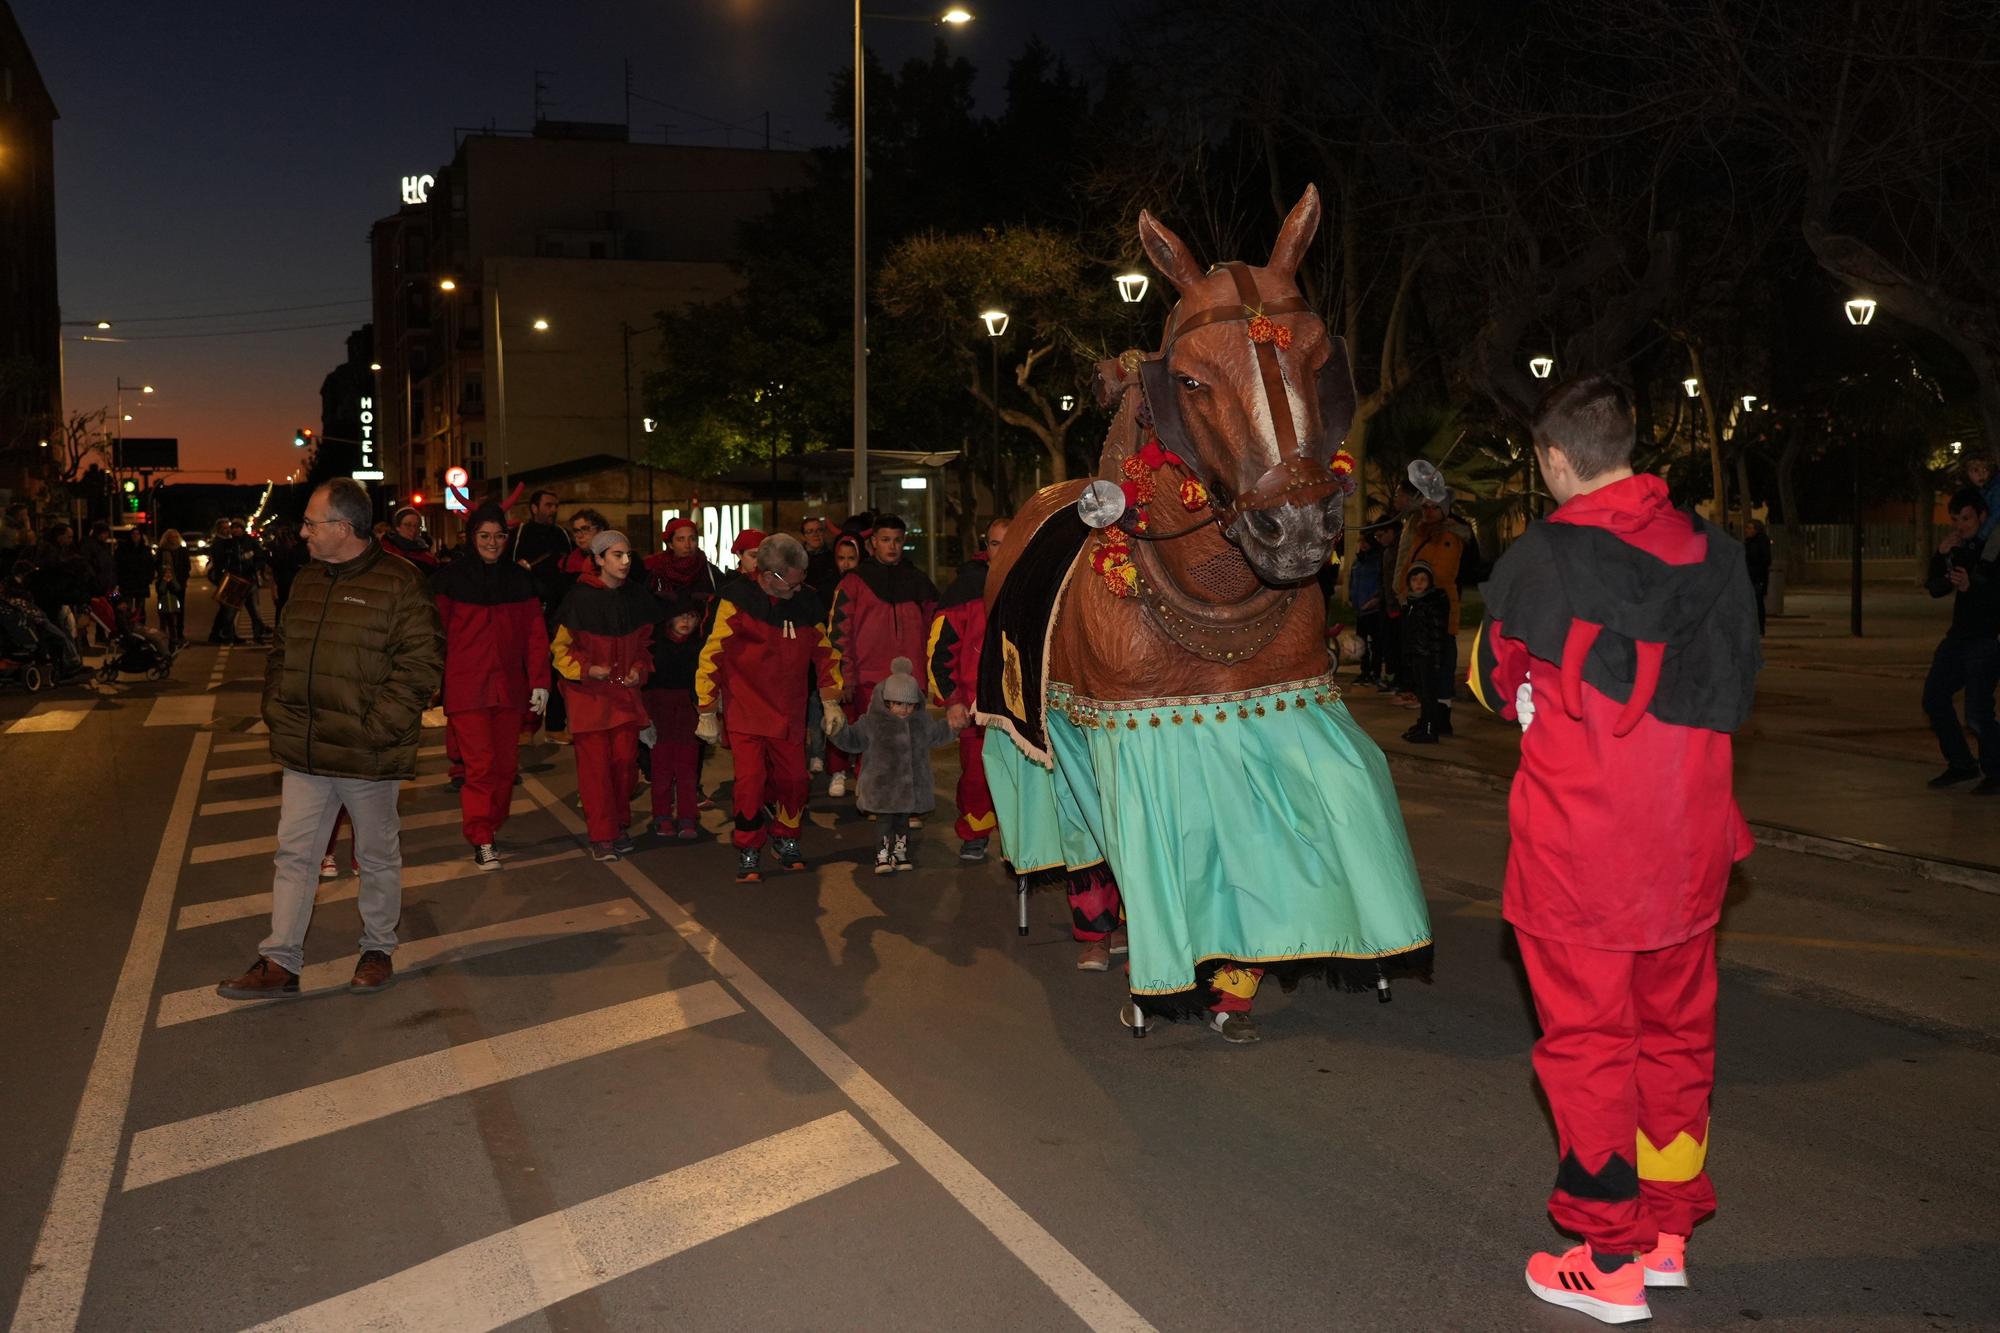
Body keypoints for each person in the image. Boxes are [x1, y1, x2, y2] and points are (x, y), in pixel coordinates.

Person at [1469, 377, 1761, 1325]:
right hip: (1690, 847)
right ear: (1631, 443)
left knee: (1590, 1046)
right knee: (1678, 1040)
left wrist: (1521, 691)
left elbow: (1487, 673)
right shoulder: (1716, 555)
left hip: (1582, 850)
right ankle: (1668, 1235)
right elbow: (1736, 686)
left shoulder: (1543, 557)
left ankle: (1606, 1255)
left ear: (1556, 459)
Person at [216, 479, 443, 1001]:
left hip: (366, 751)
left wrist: (375, 727)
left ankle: (377, 948)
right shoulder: (308, 580)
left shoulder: (400, 583)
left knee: (377, 855)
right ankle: (280, 960)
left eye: (312, 523)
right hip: (306, 747)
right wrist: (276, 706)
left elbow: (421, 664)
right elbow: (282, 652)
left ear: (344, 528)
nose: (303, 532)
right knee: (295, 854)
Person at [695, 533, 843, 881]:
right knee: (750, 782)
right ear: (769, 574)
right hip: (746, 710)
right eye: (792, 583)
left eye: (800, 581)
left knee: (794, 781)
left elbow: (826, 654)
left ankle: (785, 836)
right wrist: (705, 707)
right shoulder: (734, 600)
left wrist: (831, 699)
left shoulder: (806, 603)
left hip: (789, 712)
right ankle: (748, 844)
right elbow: (712, 653)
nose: (797, 588)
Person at [433, 505, 552, 870]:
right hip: (467, 688)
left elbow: (535, 635)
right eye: (484, 536)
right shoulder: (449, 580)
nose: (492, 543)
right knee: (481, 767)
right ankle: (482, 836)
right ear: (472, 538)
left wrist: (540, 681)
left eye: (499, 536)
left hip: (509, 689)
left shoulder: (520, 580)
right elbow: (436, 635)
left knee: (504, 767)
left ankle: (491, 826)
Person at [552, 530, 660, 861]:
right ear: (599, 559)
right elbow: (559, 650)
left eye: (628, 555)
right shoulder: (578, 598)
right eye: (617, 555)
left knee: (626, 765)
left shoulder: (637, 597)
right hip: (589, 701)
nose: (626, 561)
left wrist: (638, 670)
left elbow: (646, 645)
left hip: (624, 699)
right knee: (596, 771)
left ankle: (618, 823)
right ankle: (603, 835)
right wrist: (587, 669)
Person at [827, 514, 937, 800]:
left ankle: (905, 804)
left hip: (911, 681)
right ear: (873, 542)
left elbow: (935, 632)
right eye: (886, 540)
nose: (892, 546)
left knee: (910, 745)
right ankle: (877, 800)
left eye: (898, 540)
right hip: (869, 678)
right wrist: (846, 676)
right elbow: (839, 634)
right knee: (875, 744)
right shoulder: (853, 583)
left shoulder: (919, 582)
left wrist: (931, 678)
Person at [830, 657, 960, 874]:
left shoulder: (921, 723)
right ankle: (882, 855)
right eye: (899, 704)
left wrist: (953, 726)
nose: (905, 710)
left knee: (903, 823)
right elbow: (852, 740)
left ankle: (900, 853)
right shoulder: (872, 722)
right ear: (887, 702)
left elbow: (937, 735)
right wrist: (837, 731)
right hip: (883, 788)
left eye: (910, 705)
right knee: (883, 822)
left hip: (910, 789)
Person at [927, 518, 1007, 860]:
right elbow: (940, 651)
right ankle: (975, 832)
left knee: (1023, 780)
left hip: (1020, 707)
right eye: (995, 544)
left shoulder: (1032, 582)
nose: (1001, 552)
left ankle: (1022, 843)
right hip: (977, 705)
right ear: (985, 545)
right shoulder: (965, 589)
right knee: (976, 776)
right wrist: (952, 702)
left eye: (1009, 542)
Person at [1922, 486, 2000, 794]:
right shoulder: (1960, 547)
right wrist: (1940, 556)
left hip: (1987, 639)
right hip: (1958, 637)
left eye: (1966, 518)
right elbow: (1936, 588)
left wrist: (1972, 587)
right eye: (1955, 519)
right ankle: (1961, 763)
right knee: (1933, 698)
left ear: (1983, 516)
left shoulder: (1993, 548)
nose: (1960, 526)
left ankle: (1995, 771)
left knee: (1978, 714)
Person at [510, 489, 575, 737]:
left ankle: (556, 725)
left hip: (557, 610)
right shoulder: (520, 535)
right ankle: (526, 725)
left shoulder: (561, 535)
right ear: (534, 507)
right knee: (528, 667)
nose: (553, 510)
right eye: (548, 505)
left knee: (559, 665)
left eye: (556, 505)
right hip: (529, 609)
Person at [1395, 494, 1463, 730]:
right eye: (1426, 506)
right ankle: (1429, 719)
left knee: (1441, 668)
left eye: (1435, 507)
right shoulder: (1421, 533)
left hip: (1439, 615)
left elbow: (1441, 574)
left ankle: (1439, 721)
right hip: (1421, 612)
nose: (1429, 511)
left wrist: (1417, 577)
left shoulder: (1449, 536)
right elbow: (1407, 567)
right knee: (1423, 670)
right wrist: (1404, 590)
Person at [644, 593, 707, 839]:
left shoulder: (699, 647)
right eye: (681, 616)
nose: (686, 621)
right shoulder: (655, 645)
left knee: (687, 770)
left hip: (688, 713)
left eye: (692, 616)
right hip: (660, 711)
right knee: (661, 770)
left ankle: (687, 817)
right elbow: (647, 683)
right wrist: (645, 717)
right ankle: (661, 816)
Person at [1399, 561, 1452, 744]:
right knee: (1422, 693)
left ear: (1430, 581)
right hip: (1418, 654)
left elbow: (1437, 634)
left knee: (1429, 694)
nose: (1419, 583)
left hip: (1428, 656)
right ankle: (1424, 723)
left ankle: (1430, 728)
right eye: (1414, 579)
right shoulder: (1412, 603)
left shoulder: (1432, 604)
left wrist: (1436, 661)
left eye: (1423, 579)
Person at [205, 518, 270, 645]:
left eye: (238, 527)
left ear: (243, 528)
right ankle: (229, 638)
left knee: (255, 612)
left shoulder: (251, 542)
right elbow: (220, 562)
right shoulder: (227, 543)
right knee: (229, 614)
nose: (235, 530)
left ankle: (258, 636)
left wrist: (255, 567)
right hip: (234, 582)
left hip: (249, 581)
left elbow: (260, 557)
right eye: (233, 527)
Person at [1349, 515, 1394, 687]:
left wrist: (1375, 600)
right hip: (1361, 609)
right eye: (1361, 541)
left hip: (1373, 609)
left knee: (1375, 643)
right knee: (1361, 644)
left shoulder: (1378, 560)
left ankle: (1375, 673)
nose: (1363, 545)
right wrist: (1354, 599)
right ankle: (1364, 672)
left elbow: (1382, 583)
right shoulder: (1358, 562)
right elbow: (1354, 582)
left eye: (1366, 541)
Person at [155, 529, 192, 649]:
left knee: (179, 609)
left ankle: (179, 634)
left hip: (178, 584)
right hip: (164, 585)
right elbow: (156, 566)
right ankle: (164, 635)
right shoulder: (161, 551)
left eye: (175, 537)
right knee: (163, 610)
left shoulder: (182, 551)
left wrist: (182, 579)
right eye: (170, 537)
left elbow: (187, 567)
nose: (173, 539)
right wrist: (164, 576)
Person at [114, 527, 156, 627]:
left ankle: (140, 628)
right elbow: (118, 564)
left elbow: (151, 565)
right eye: (133, 534)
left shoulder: (145, 550)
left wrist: (148, 579)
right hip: (127, 583)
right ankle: (128, 628)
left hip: (141, 584)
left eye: (138, 534)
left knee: (140, 609)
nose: (135, 536)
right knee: (127, 608)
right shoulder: (123, 549)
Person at [382, 506, 440, 573]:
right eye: (408, 525)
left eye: (417, 525)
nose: (413, 529)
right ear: (397, 527)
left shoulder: (427, 557)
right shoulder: (386, 550)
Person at [1742, 518, 1772, 636]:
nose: (1746, 530)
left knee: (1757, 603)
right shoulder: (1748, 542)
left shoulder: (1761, 542)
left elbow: (1765, 560)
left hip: (1757, 578)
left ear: (1756, 529)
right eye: (1747, 528)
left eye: (1749, 528)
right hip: (1749, 577)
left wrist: (1754, 571)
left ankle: (1760, 628)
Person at [800, 515, 840, 598]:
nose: (816, 534)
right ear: (803, 537)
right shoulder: (798, 560)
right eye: (810, 531)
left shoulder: (834, 558)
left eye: (819, 530)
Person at [1965, 453, 2000, 545]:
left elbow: (1996, 514)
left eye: (1985, 469)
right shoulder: (1981, 491)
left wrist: (1980, 537)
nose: (1981, 474)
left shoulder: (1996, 488)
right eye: (1976, 470)